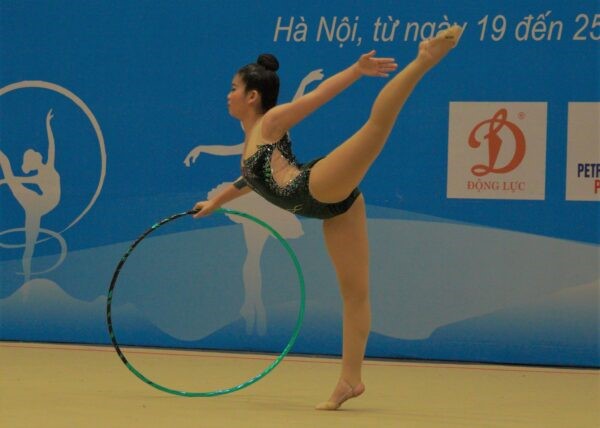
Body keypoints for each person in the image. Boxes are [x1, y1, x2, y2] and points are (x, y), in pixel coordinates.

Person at [192, 26, 462, 410]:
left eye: (234, 88)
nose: (228, 94)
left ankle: (423, 60)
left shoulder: (271, 122)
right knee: (355, 294)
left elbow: (318, 97)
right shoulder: (251, 140)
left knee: (375, 127)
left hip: (312, 186)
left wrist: (357, 70)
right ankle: (350, 380)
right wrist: (215, 203)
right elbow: (249, 180)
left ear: (252, 96)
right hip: (332, 209)